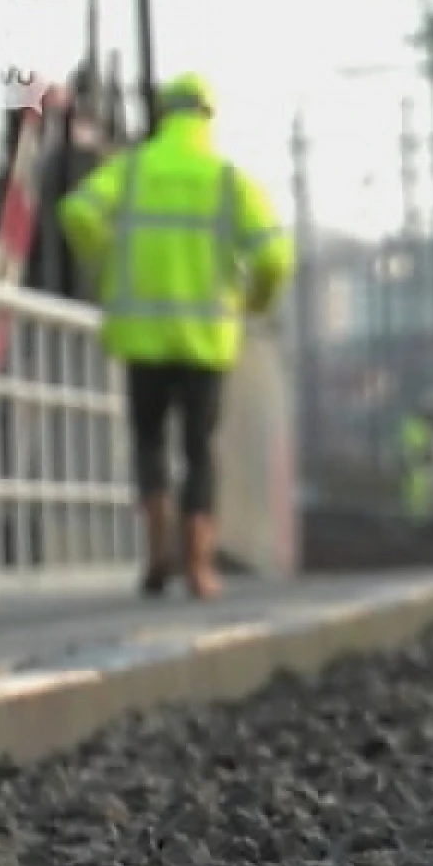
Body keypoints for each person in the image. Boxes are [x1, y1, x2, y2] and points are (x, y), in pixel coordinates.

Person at [57, 73, 293, 601]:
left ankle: (156, 547)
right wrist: (254, 301)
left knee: (148, 442)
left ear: (162, 115)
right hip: (207, 339)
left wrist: (104, 268)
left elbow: (77, 212)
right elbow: (275, 255)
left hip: (142, 335)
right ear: (208, 116)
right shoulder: (229, 180)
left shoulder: (133, 170)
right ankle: (199, 564)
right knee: (199, 448)